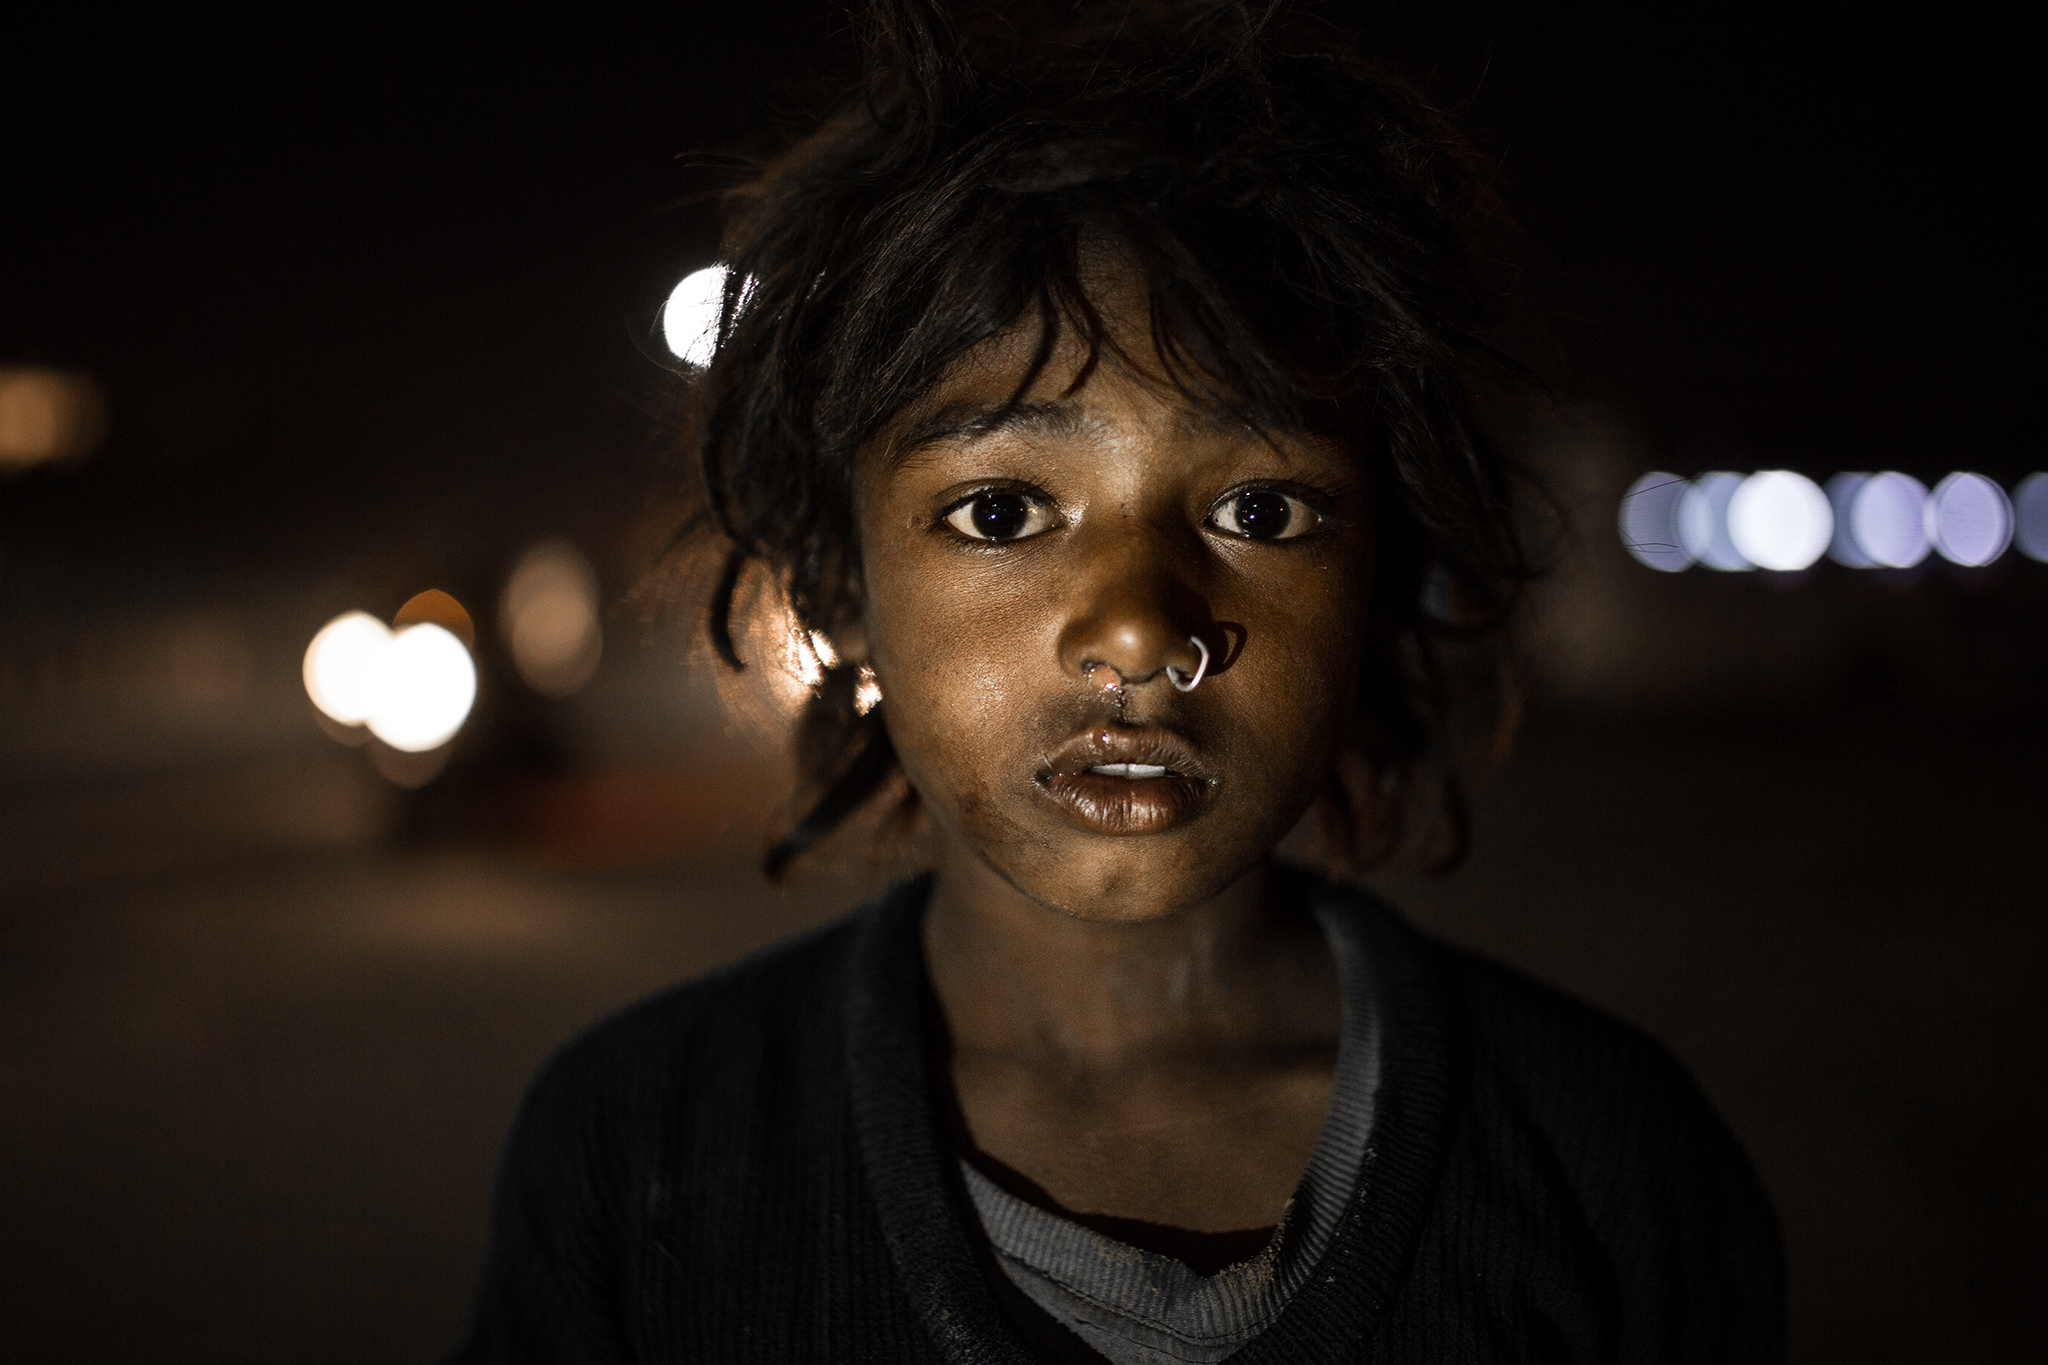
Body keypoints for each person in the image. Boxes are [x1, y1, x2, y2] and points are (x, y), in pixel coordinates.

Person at [449, 2, 1783, 1360]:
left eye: (1260, 511)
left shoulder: (1606, 1164)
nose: (1141, 633)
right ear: (843, 587)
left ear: (1381, 578)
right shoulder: (641, 1153)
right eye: (1002, 511)